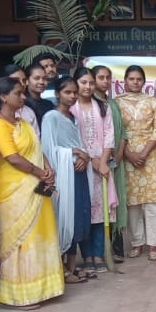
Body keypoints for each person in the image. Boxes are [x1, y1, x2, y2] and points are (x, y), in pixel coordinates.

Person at [0, 77, 64, 308]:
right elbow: (12, 157)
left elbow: (37, 149)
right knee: (20, 240)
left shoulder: (23, 122)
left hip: (36, 186)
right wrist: (40, 172)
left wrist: (48, 169)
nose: (23, 97)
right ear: (3, 97)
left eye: (23, 93)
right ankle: (18, 296)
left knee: (41, 234)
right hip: (13, 191)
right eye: (18, 93)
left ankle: (43, 288)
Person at [40, 75, 92, 285]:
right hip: (63, 176)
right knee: (63, 218)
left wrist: (84, 157)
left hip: (78, 173)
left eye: (74, 92)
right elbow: (48, 149)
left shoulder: (74, 118)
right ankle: (60, 269)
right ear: (57, 94)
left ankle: (71, 267)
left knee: (78, 217)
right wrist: (74, 152)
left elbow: (80, 144)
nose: (72, 96)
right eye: (67, 92)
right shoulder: (51, 117)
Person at [118, 65, 156, 261]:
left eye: (139, 79)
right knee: (133, 203)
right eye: (131, 79)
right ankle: (137, 243)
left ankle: (153, 245)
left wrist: (144, 153)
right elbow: (116, 132)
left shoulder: (153, 102)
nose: (135, 82)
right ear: (125, 80)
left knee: (153, 202)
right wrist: (129, 154)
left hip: (151, 156)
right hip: (127, 154)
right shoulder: (116, 103)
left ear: (144, 81)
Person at [71, 67, 119, 275]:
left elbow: (109, 135)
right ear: (76, 83)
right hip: (80, 166)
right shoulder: (71, 108)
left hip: (101, 167)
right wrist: (89, 160)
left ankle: (99, 254)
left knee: (101, 212)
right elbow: (71, 138)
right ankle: (87, 256)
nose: (88, 86)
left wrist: (104, 161)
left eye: (91, 82)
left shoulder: (102, 107)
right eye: (83, 82)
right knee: (85, 211)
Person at [92, 64, 129, 257]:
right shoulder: (89, 103)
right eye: (101, 77)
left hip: (115, 162)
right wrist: (101, 159)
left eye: (108, 77)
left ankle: (116, 247)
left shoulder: (113, 104)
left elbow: (122, 132)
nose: (105, 81)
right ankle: (99, 251)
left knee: (116, 201)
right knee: (99, 206)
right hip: (96, 162)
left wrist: (119, 154)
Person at [25, 63, 54, 128]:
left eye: (44, 78)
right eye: (37, 78)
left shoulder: (49, 105)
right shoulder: (23, 104)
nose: (41, 82)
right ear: (26, 81)